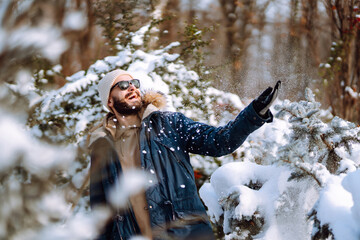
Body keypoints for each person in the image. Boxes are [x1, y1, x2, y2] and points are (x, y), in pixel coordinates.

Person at [88, 69, 280, 240]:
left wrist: (253, 113)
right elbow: (100, 211)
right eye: (122, 85)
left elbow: (220, 141)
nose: (131, 88)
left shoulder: (170, 124)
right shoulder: (103, 146)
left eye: (134, 83)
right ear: (109, 100)